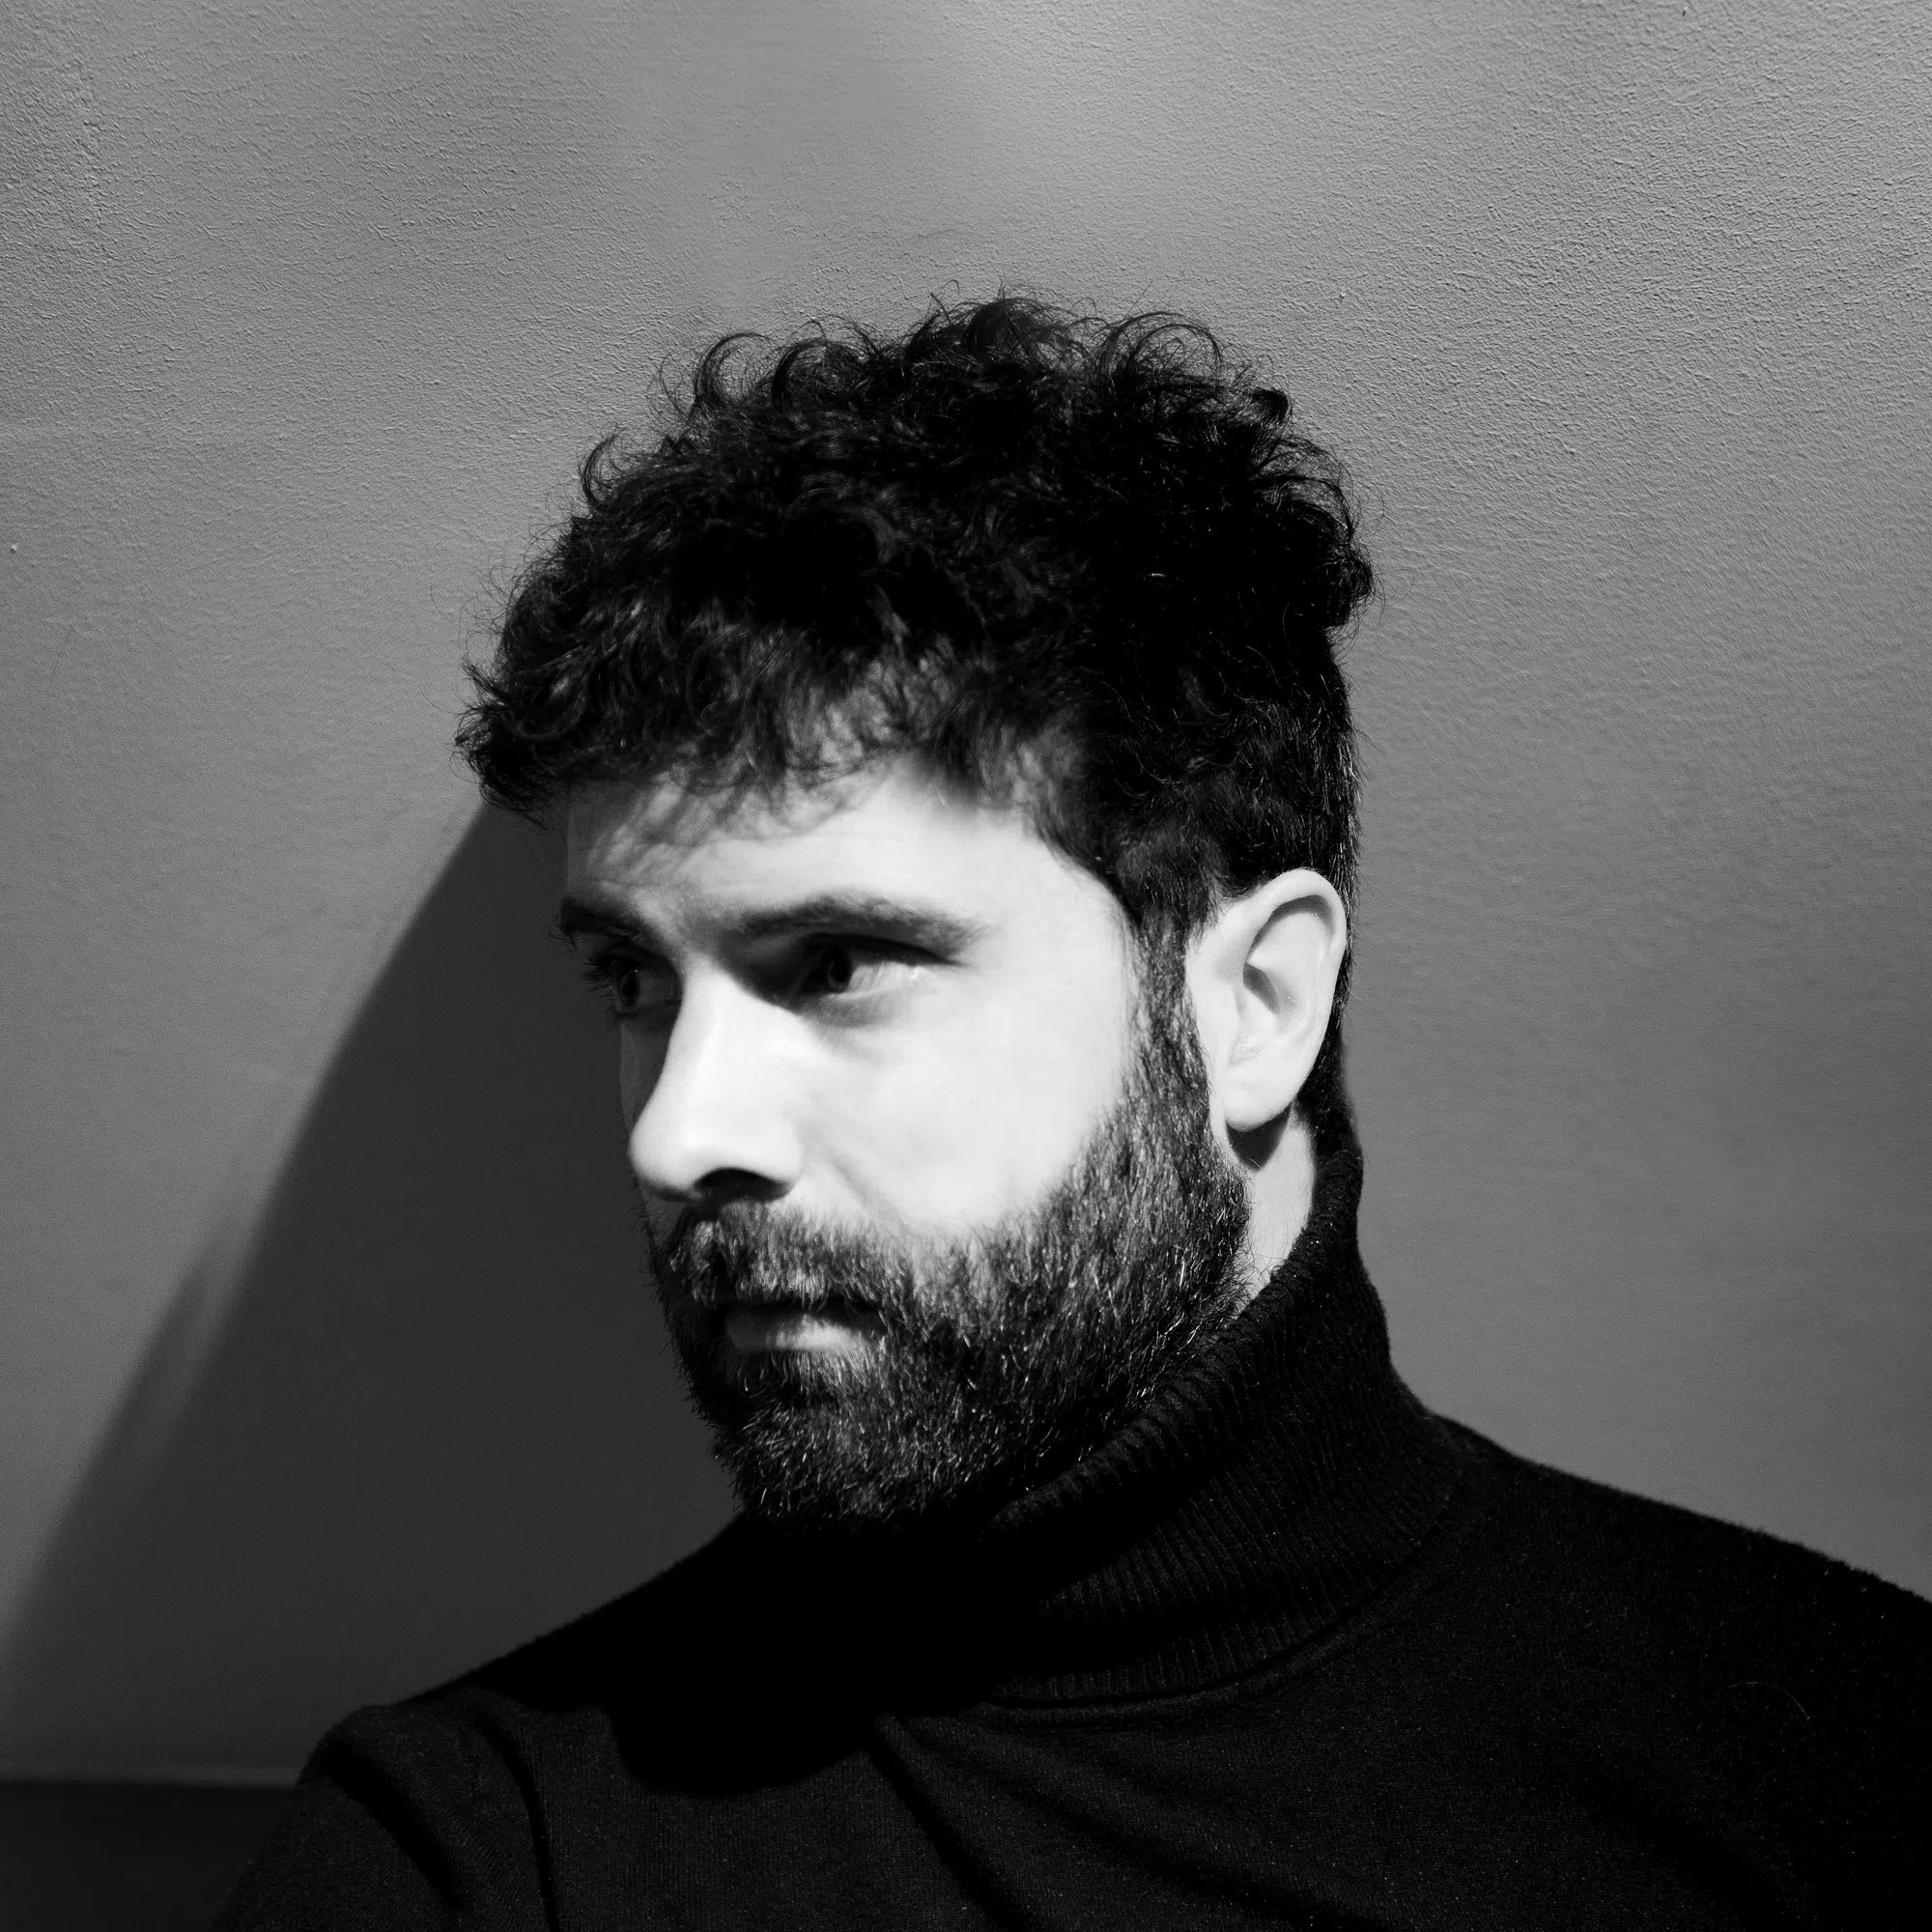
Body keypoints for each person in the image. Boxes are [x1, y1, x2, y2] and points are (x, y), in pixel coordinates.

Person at [218, 298, 1927, 1929]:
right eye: (631, 981)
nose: (675, 1137)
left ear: (1254, 1007)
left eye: (838, 963)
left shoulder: (1845, 1748)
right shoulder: (474, 1857)